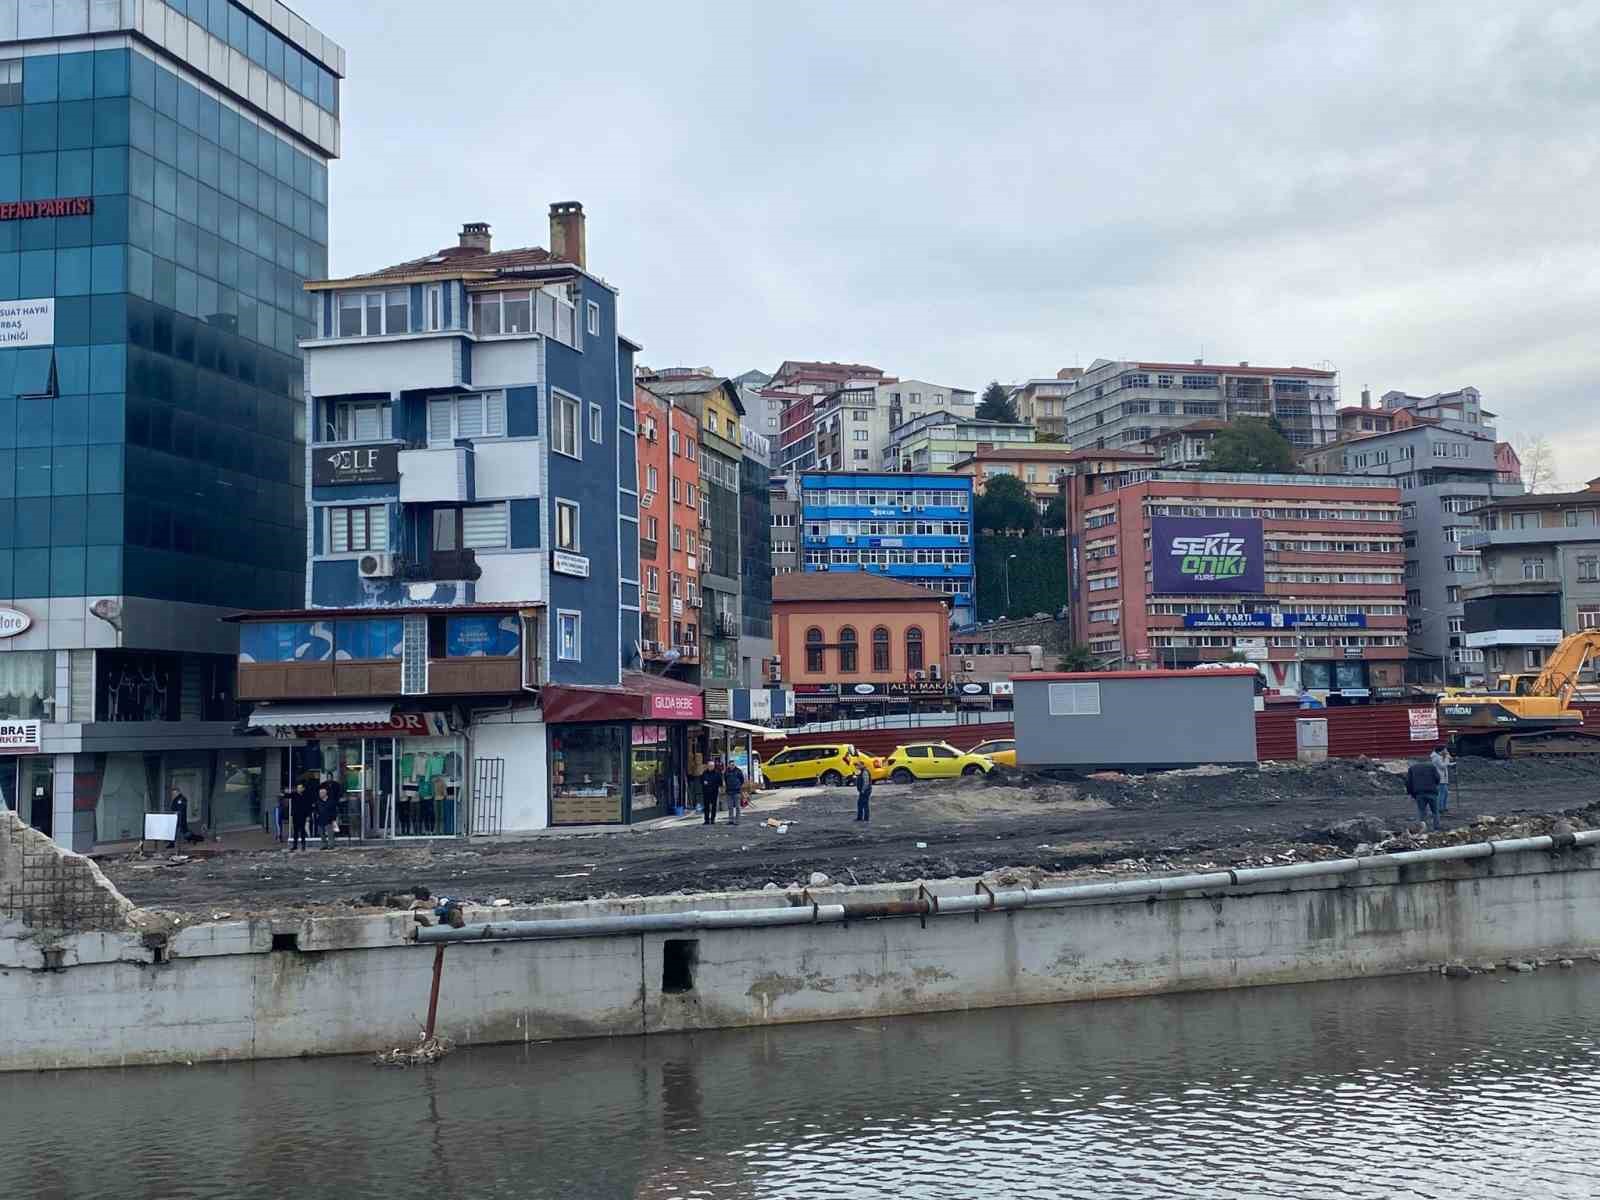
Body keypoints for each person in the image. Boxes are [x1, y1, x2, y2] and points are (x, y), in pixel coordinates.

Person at [1406, 756, 1442, 832]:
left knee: (1422, 811)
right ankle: (1437, 828)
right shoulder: (1431, 767)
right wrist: (1434, 785)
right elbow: (1438, 778)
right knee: (1435, 811)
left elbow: (1408, 782)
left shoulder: (1412, 768)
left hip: (1419, 793)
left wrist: (1411, 793)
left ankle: (1423, 829)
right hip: (1432, 792)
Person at [700, 758, 724, 825]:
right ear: (707, 766)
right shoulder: (704, 773)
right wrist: (703, 783)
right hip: (706, 792)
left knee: (714, 806)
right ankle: (706, 820)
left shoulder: (717, 773)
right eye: (709, 766)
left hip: (714, 792)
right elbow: (701, 781)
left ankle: (712, 819)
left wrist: (720, 789)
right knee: (706, 806)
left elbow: (720, 782)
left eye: (712, 766)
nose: (711, 767)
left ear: (714, 766)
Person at [289, 781, 312, 851]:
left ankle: (303, 845)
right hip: (295, 815)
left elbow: (308, 807)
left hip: (303, 815)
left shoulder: (306, 796)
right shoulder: (294, 795)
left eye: (300, 788)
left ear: (303, 789)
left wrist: (308, 816)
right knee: (295, 831)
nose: (299, 789)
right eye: (298, 788)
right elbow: (287, 795)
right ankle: (295, 845)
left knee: (302, 831)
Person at [1430, 745, 1453, 814]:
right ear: (1441, 750)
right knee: (1441, 793)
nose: (1446, 751)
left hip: (1443, 778)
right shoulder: (1436, 757)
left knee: (1445, 793)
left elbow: (1444, 764)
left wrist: (1449, 761)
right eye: (1445, 750)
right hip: (1439, 778)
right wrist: (1447, 758)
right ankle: (1440, 808)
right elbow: (1442, 766)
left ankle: (1443, 807)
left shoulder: (1439, 757)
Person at [722, 759, 745, 825]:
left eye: (733, 765)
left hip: (737, 791)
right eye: (731, 765)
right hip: (729, 792)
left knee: (737, 807)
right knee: (730, 807)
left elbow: (742, 780)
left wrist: (738, 786)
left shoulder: (738, 771)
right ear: (728, 765)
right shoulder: (726, 772)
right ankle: (730, 820)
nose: (732, 766)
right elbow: (725, 780)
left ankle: (737, 821)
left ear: (735, 765)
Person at [317, 784, 339, 849]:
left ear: (325, 793)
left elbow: (334, 811)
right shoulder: (318, 802)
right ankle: (324, 845)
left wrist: (333, 819)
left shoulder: (331, 801)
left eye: (321, 793)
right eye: (319, 793)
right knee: (322, 834)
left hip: (329, 820)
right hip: (321, 820)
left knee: (330, 834)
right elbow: (316, 810)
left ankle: (331, 845)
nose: (320, 794)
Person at [168, 785, 190, 849]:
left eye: (174, 793)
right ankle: (172, 843)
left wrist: (176, 814)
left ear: (178, 792)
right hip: (176, 818)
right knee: (181, 830)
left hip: (179, 818)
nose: (173, 794)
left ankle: (188, 839)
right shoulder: (176, 799)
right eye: (172, 793)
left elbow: (180, 809)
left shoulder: (181, 799)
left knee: (182, 830)